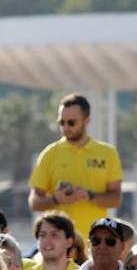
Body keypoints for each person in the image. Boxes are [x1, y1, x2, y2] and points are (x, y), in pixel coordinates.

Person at [28, 93, 124, 237]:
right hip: (60, 244)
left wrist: (90, 196)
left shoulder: (108, 153)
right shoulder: (49, 153)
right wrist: (56, 199)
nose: (65, 127)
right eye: (62, 122)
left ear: (87, 120)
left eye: (71, 122)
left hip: (95, 242)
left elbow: (116, 199)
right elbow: (34, 202)